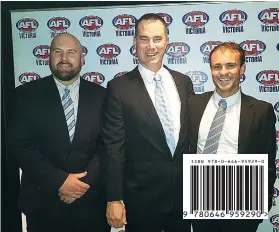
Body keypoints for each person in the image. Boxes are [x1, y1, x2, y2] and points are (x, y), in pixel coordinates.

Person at [7, 32, 110, 232]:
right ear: (49, 57)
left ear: (81, 59)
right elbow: (19, 145)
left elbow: (108, 146)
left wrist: (82, 184)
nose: (64, 58)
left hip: (91, 204)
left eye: (71, 52)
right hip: (43, 204)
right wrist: (59, 181)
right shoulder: (25, 95)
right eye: (58, 52)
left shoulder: (103, 96)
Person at [101, 13, 194, 232]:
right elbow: (113, 146)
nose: (151, 46)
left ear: (167, 41)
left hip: (182, 197)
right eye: (144, 39)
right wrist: (114, 198)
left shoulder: (183, 82)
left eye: (157, 39)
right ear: (134, 42)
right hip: (141, 200)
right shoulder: (119, 88)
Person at [188, 42, 277, 232]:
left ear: (242, 68)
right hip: (201, 198)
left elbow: (268, 162)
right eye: (217, 67)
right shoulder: (193, 104)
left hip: (243, 202)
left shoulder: (261, 111)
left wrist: (261, 206)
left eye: (230, 65)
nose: (223, 72)